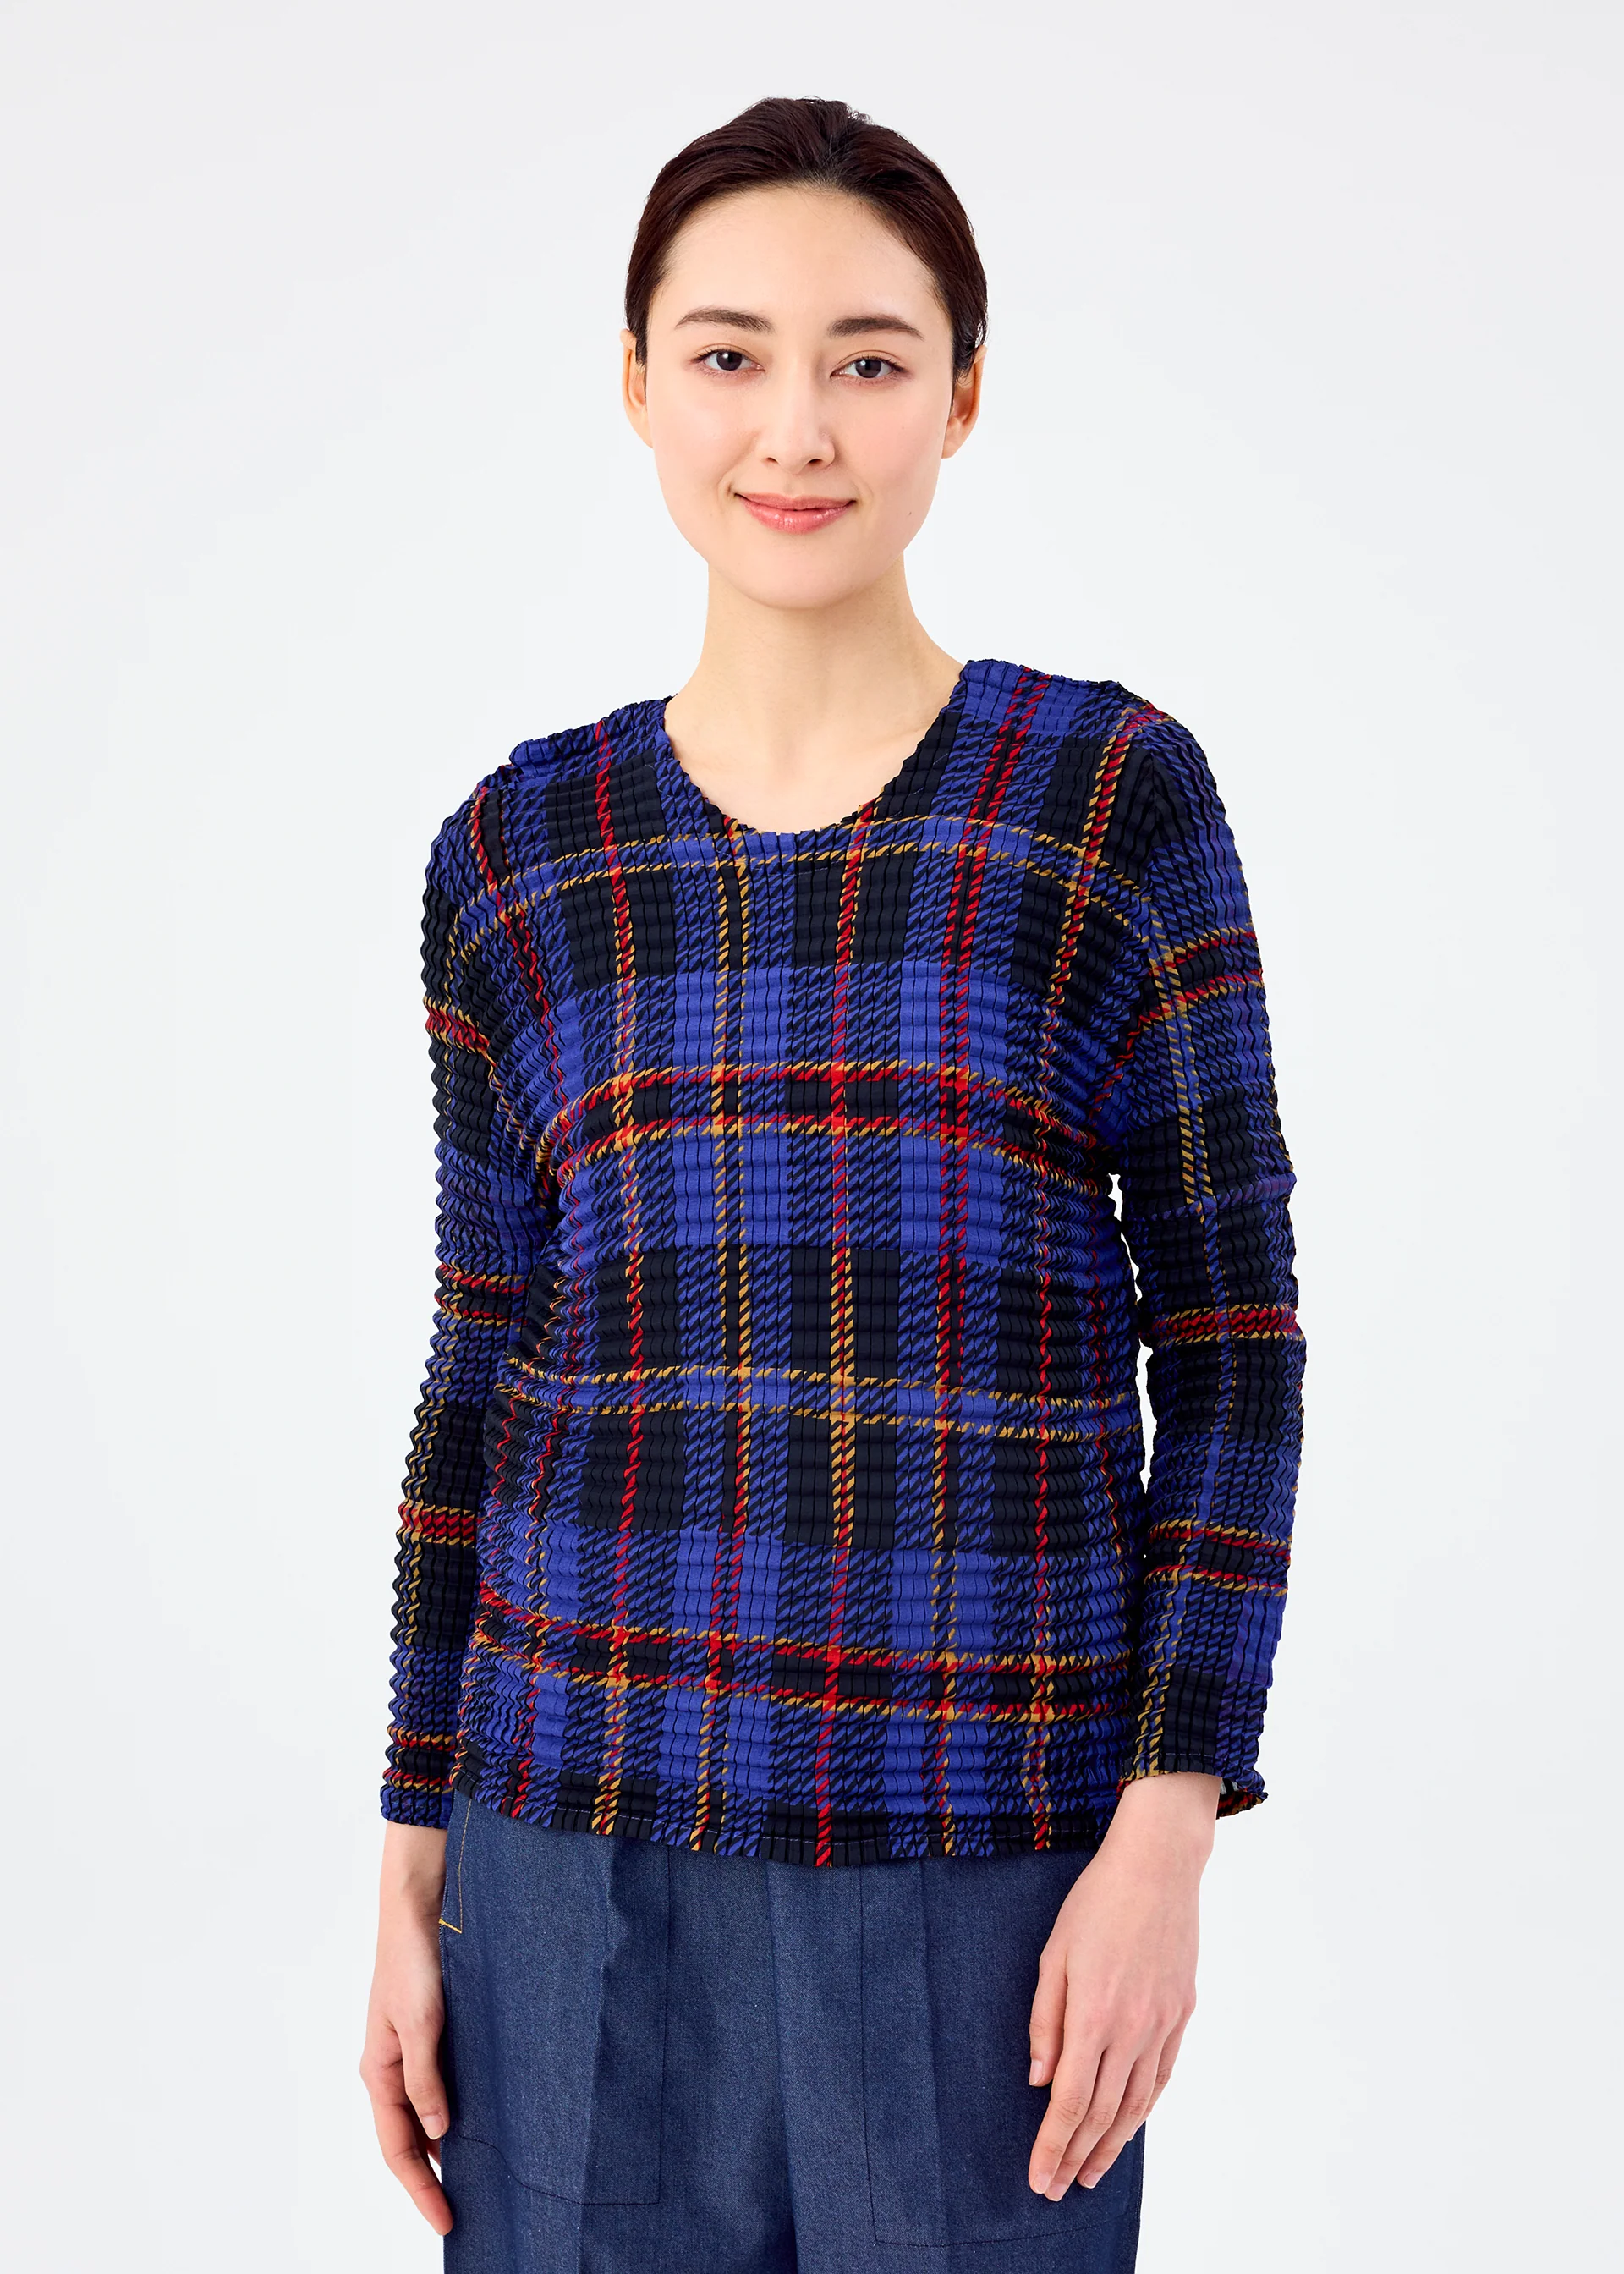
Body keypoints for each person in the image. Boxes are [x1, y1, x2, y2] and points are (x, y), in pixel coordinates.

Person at [359, 95, 1306, 2274]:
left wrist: (1170, 1825)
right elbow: (478, 1372)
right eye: (730, 354)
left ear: (959, 397)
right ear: (638, 385)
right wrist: (411, 1859)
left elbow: (1234, 1348)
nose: (796, 426)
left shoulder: (1105, 802)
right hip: (568, 1850)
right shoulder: (518, 853)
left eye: (869, 359)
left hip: (989, 1857)